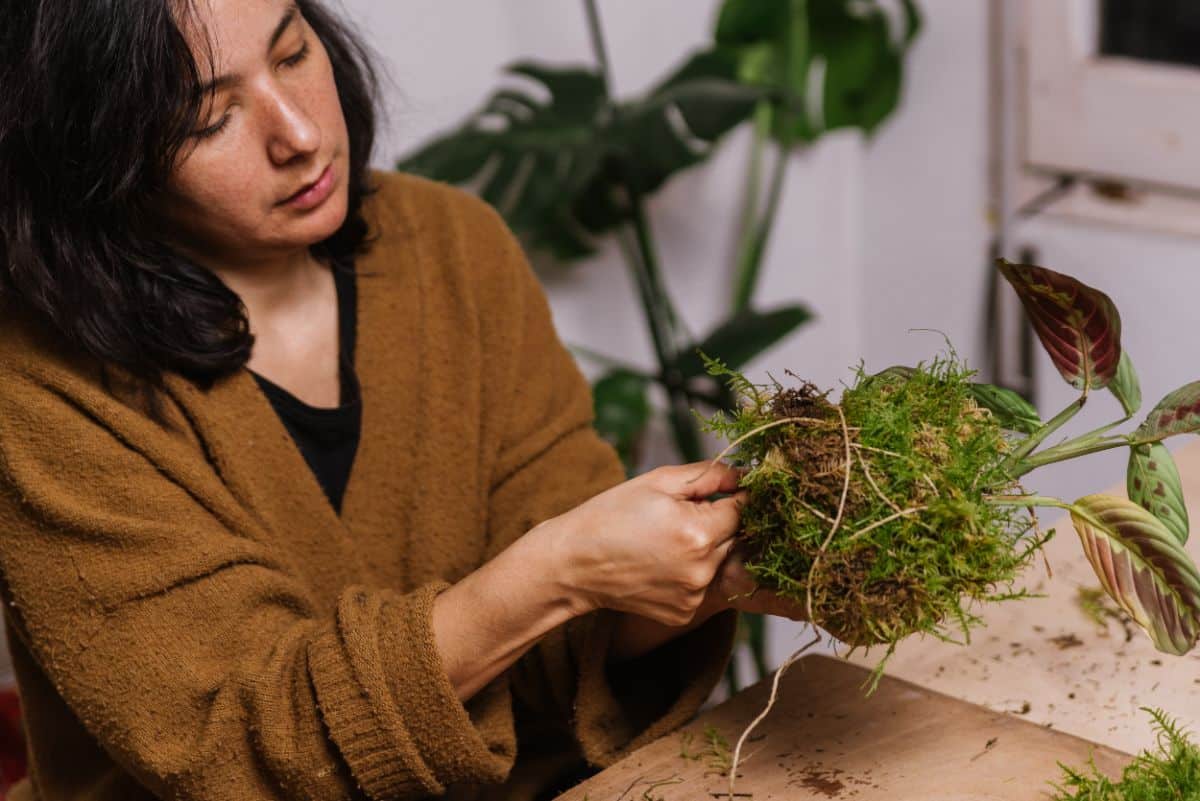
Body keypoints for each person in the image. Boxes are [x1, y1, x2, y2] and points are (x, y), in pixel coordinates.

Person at [0, 1, 808, 799]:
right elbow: (235, 743)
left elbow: (562, 649)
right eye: (209, 120)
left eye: (292, 56)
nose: (302, 135)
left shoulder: (454, 246)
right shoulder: (38, 387)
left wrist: (707, 572)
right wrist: (557, 572)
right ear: (95, 152)